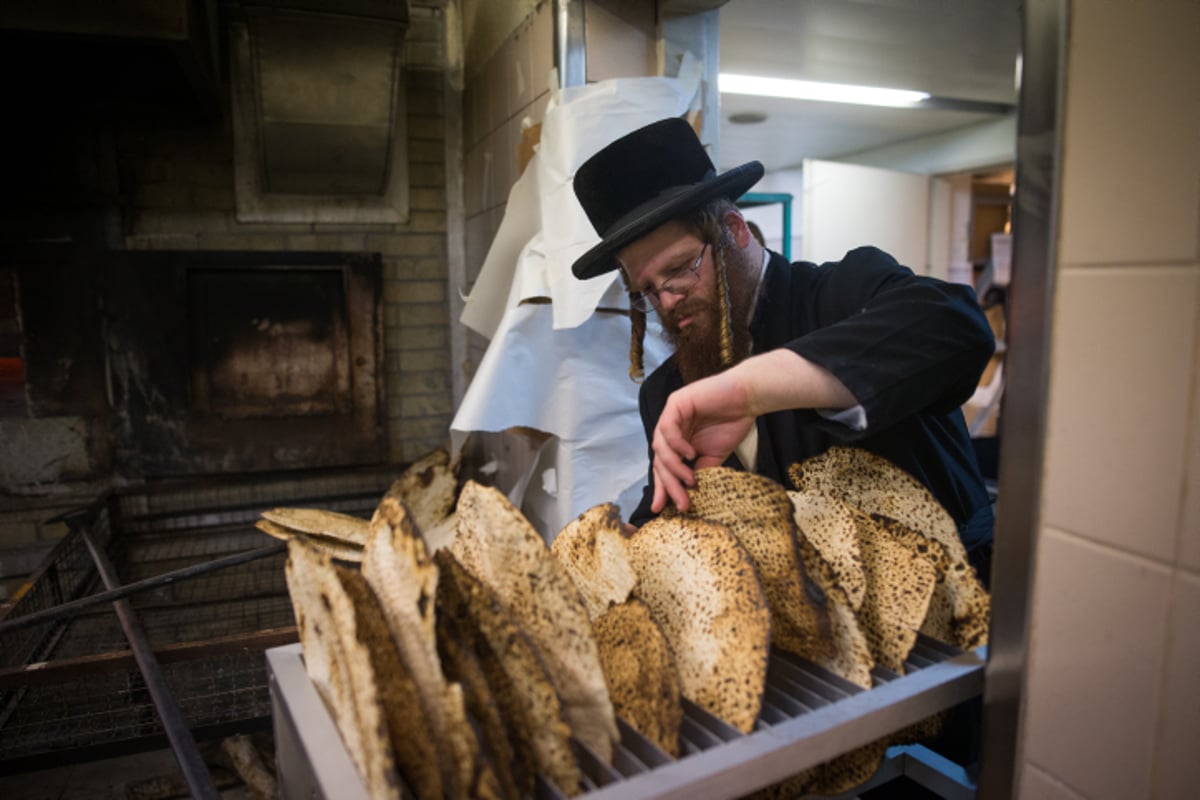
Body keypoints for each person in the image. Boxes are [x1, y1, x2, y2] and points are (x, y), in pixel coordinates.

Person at [571, 117, 996, 577]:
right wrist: (639, 542)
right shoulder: (666, 392)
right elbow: (672, 509)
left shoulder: (844, 294)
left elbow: (958, 325)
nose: (668, 299)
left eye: (679, 268)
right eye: (647, 289)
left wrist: (752, 389)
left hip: (953, 619)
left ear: (734, 230)